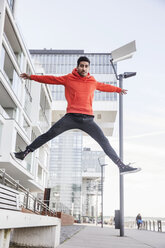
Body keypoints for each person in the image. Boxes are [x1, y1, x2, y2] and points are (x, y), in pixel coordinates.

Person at [14, 56, 141, 175]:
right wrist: (32, 77)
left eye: (86, 66)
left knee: (104, 142)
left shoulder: (93, 81)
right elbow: (51, 79)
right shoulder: (68, 78)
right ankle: (24, 153)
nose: (84, 68)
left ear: (88, 68)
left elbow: (104, 87)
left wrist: (118, 90)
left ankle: (121, 166)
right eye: (82, 66)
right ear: (77, 67)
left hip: (88, 120)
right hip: (70, 118)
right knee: (49, 134)